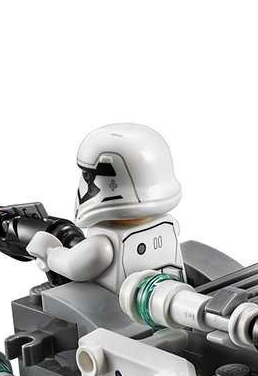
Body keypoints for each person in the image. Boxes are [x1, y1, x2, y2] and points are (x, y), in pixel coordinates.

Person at [27, 123, 184, 293]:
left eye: (87, 174)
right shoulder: (170, 226)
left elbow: (72, 266)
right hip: (174, 290)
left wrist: (49, 252)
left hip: (115, 307)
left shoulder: (102, 246)